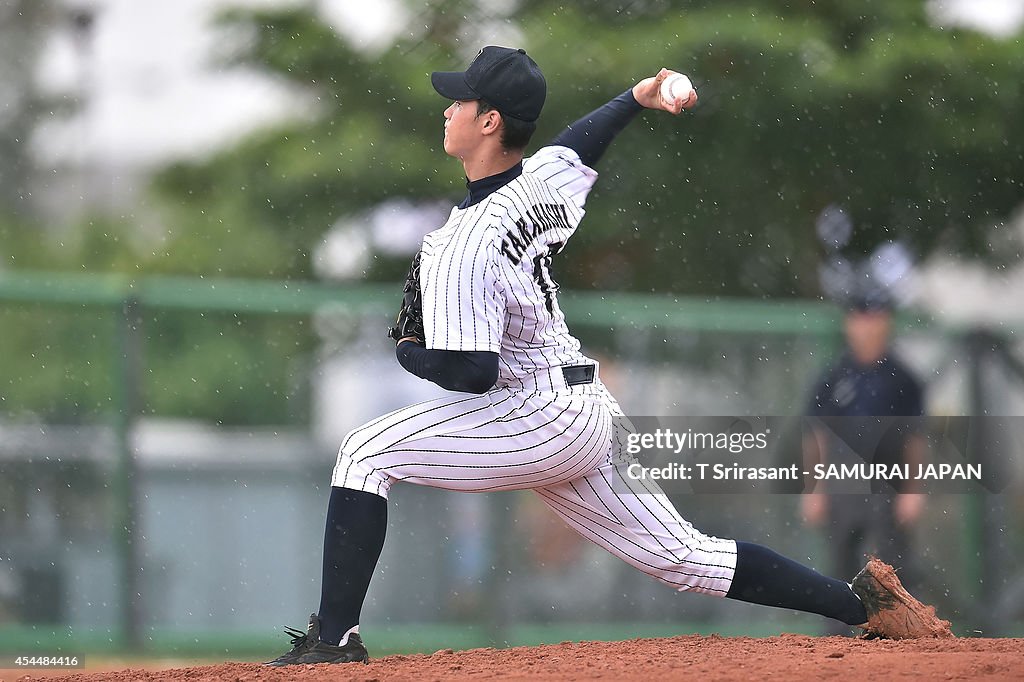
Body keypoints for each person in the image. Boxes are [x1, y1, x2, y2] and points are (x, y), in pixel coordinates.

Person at [266, 47, 941, 666]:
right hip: (585, 408)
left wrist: (409, 351)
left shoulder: (464, 242)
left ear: (490, 120)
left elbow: (473, 375)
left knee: (364, 453)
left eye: (459, 102)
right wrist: (637, 96)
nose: (448, 109)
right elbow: (579, 142)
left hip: (535, 414)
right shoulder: (537, 187)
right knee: (685, 555)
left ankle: (335, 640)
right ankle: (867, 606)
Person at [802, 293, 927, 632]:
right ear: (848, 323)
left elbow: (915, 436)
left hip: (888, 482)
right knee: (839, 567)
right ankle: (836, 638)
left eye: (875, 317)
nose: (867, 326)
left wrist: (913, 490)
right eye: (860, 317)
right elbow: (817, 435)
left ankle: (897, 634)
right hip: (842, 484)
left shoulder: (903, 378)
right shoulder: (833, 374)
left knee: (891, 566)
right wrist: (813, 490)